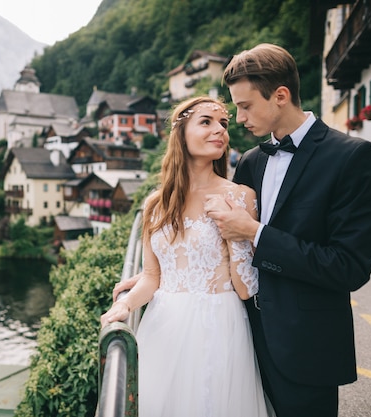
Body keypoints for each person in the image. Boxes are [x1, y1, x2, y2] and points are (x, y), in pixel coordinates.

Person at [204, 43, 371, 417]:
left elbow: (348, 266)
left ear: (281, 96)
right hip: (244, 344)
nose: (238, 119)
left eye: (245, 105)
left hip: (307, 349)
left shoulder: (353, 158)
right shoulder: (252, 163)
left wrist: (256, 234)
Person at [101, 96, 273, 417]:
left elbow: (247, 288)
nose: (219, 130)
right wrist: (124, 304)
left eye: (223, 123)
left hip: (221, 324)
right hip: (164, 326)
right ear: (181, 134)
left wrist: (233, 230)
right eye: (206, 121)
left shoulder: (240, 196)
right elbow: (153, 277)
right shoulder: (156, 203)